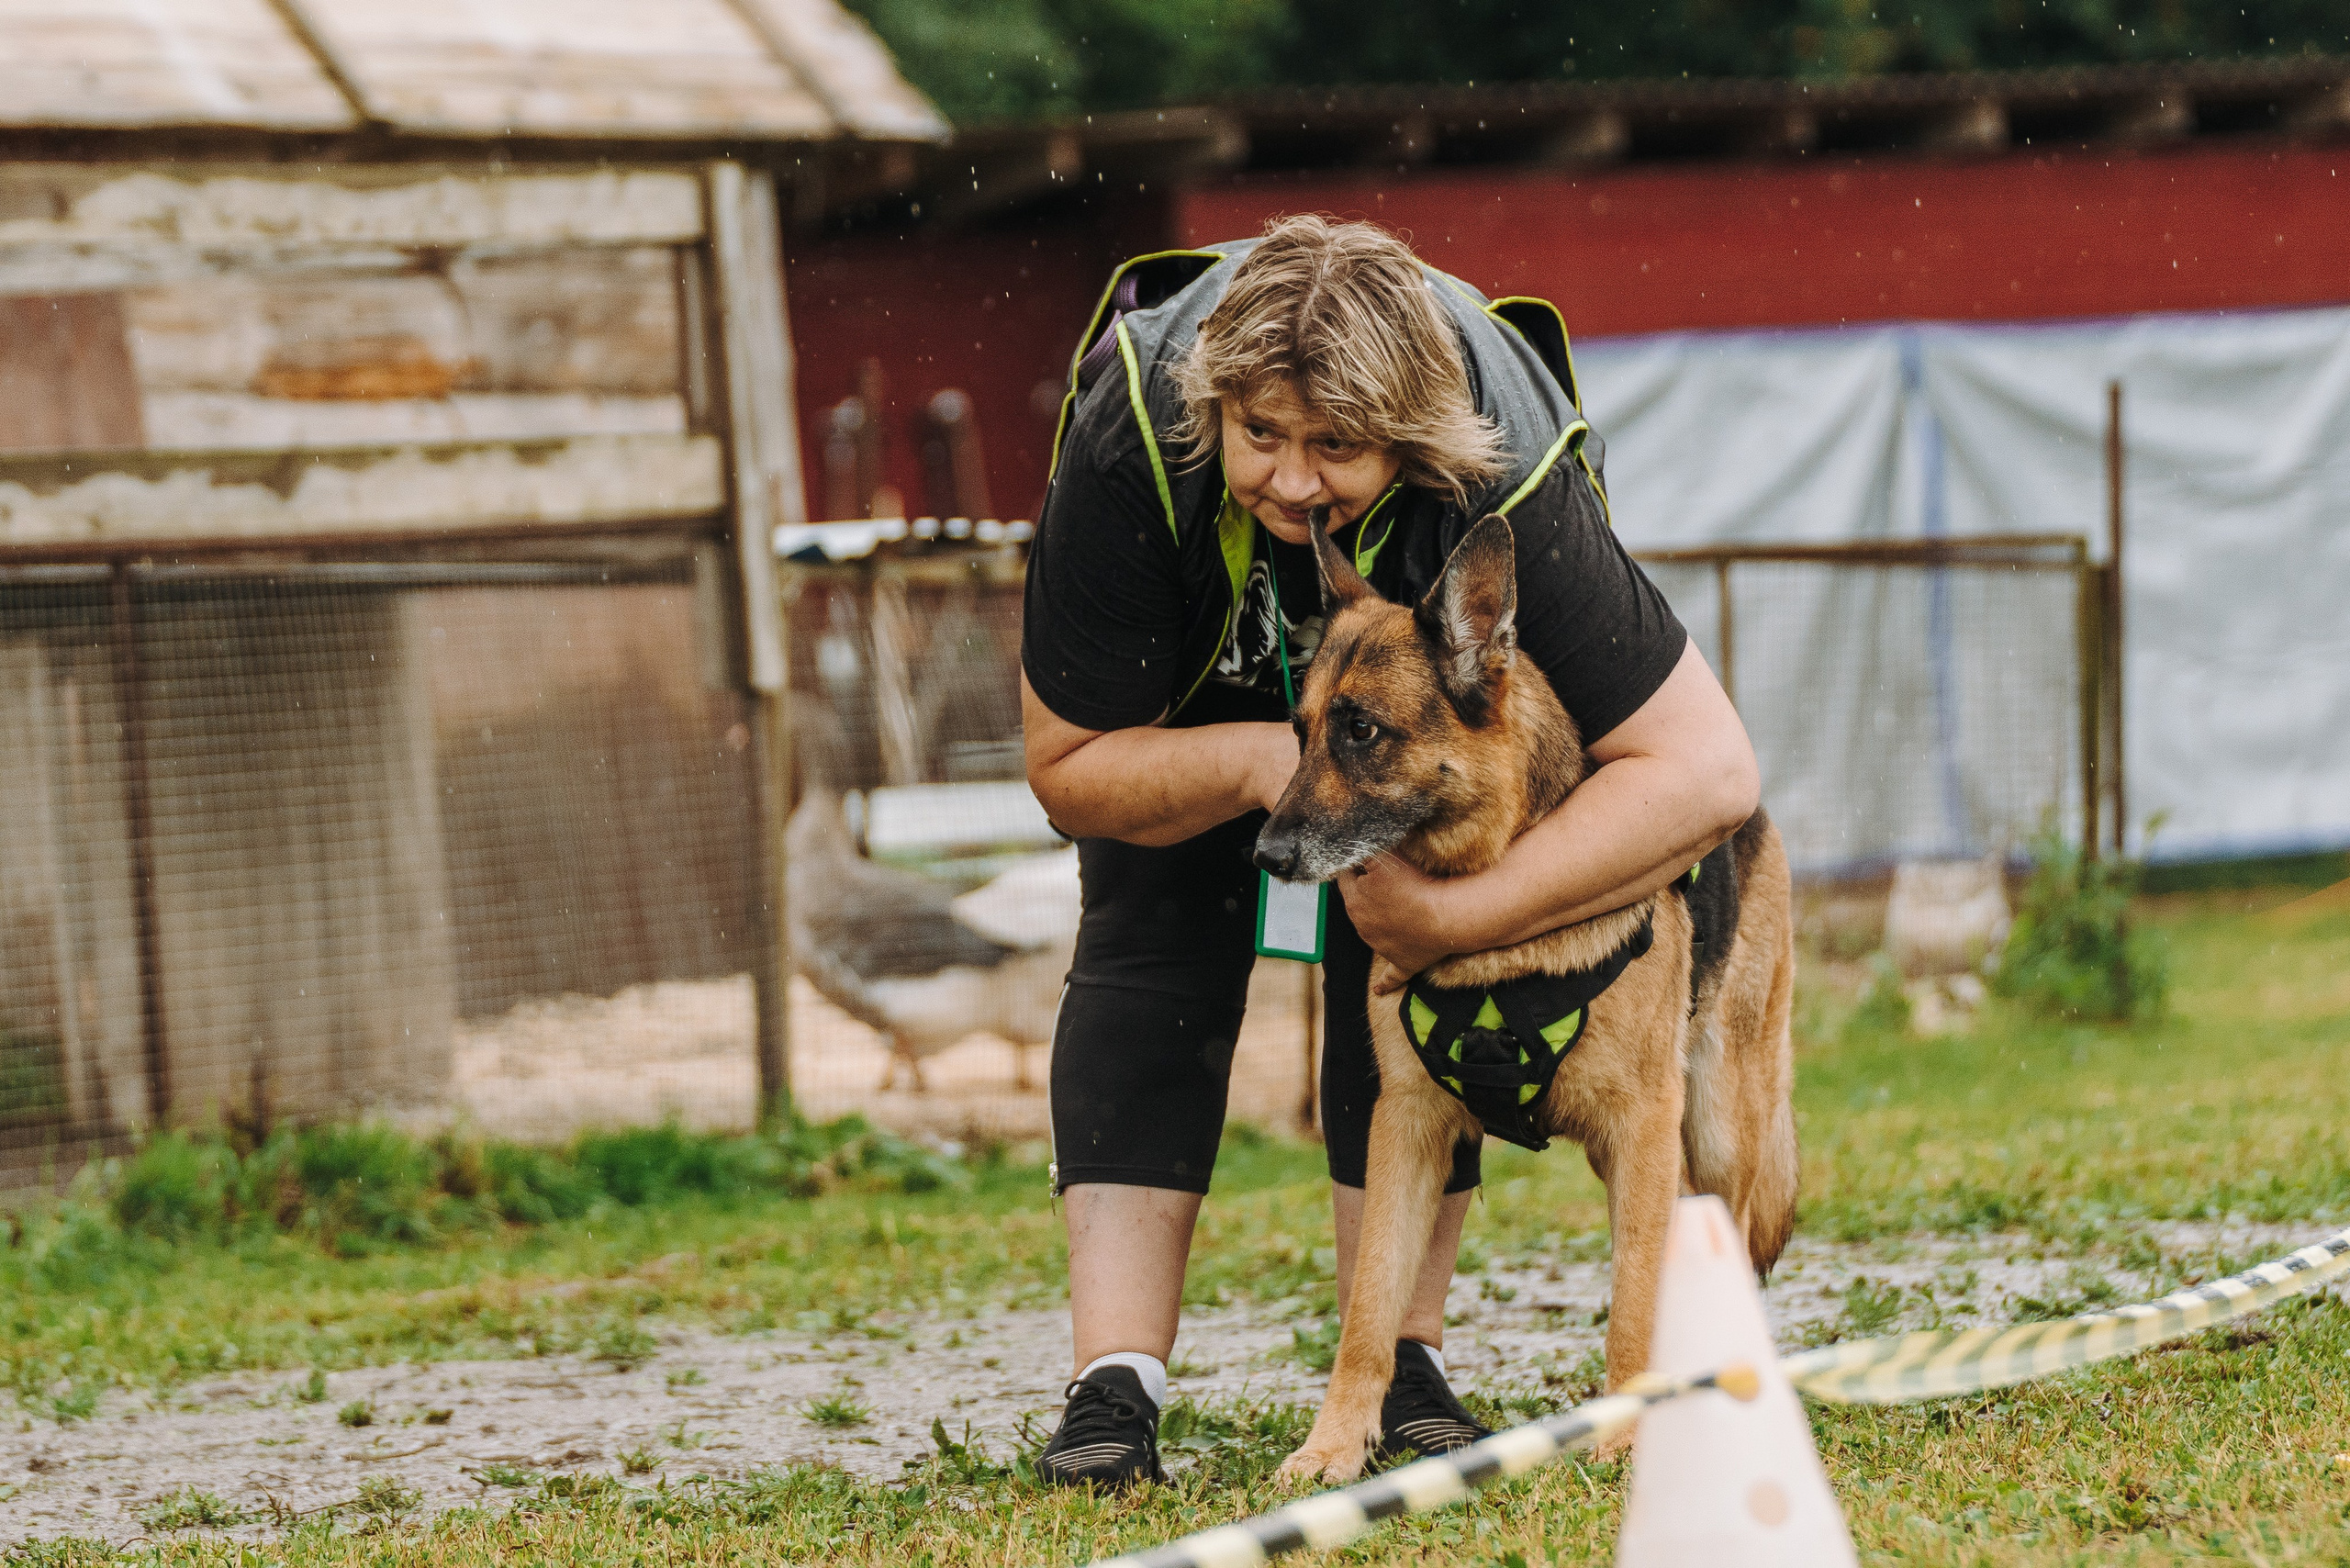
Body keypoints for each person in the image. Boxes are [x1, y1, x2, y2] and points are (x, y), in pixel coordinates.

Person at [1019, 216, 1759, 1486]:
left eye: (1338, 450)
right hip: (1200, 695)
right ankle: (1112, 1387)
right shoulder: (1131, 438)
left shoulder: (1501, 473)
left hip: (1409, 689)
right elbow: (1068, 768)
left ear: (1412, 444)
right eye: (1262, 436)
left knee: (1402, 919)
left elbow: (1710, 773)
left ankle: (1401, 1362)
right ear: (1216, 402)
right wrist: (1266, 766)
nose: (1294, 483)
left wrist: (1461, 922)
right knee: (1150, 914)